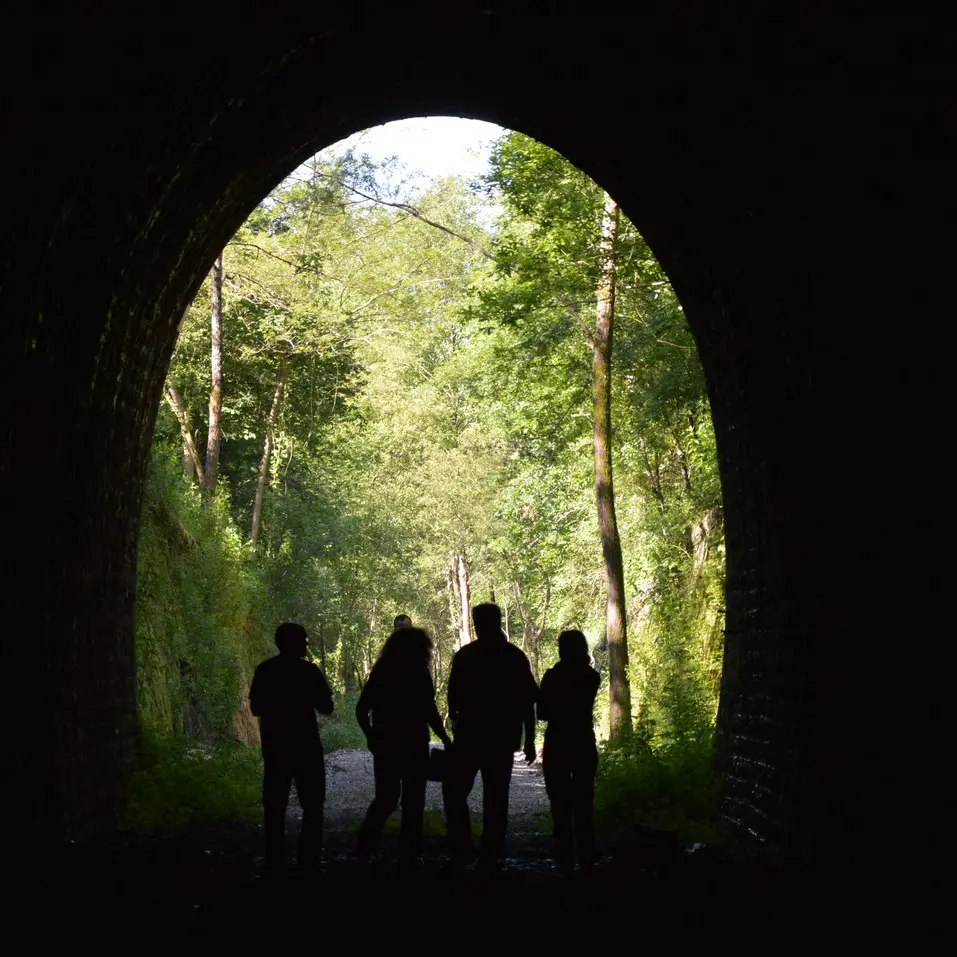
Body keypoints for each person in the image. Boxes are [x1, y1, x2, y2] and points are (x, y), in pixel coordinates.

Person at [442, 602, 538, 875]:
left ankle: (463, 849)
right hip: (502, 737)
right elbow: (527, 701)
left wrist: (456, 723)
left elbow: (452, 699)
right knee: (496, 796)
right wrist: (529, 738)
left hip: (470, 736)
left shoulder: (465, 656)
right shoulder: (514, 657)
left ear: (480, 623)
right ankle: (491, 853)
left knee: (454, 791)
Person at [356, 625, 452, 872]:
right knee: (414, 801)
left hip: (386, 744)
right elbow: (429, 711)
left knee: (386, 799)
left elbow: (361, 709)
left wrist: (370, 736)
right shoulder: (420, 672)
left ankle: (364, 850)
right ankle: (409, 855)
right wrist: (445, 738)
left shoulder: (382, 671)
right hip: (414, 744)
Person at [249, 622, 334, 877]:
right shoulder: (309, 672)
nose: (307, 643)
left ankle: (274, 861)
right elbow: (327, 707)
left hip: (275, 747)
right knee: (313, 804)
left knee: (274, 805)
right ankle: (308, 862)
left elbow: (255, 709)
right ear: (295, 642)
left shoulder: (265, 670)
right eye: (304, 639)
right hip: (306, 747)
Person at [537, 629, 601, 878]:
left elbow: (542, 713)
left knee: (559, 801)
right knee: (584, 798)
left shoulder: (553, 676)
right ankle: (586, 854)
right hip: (583, 740)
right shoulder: (591, 676)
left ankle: (564, 856)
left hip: (558, 742)